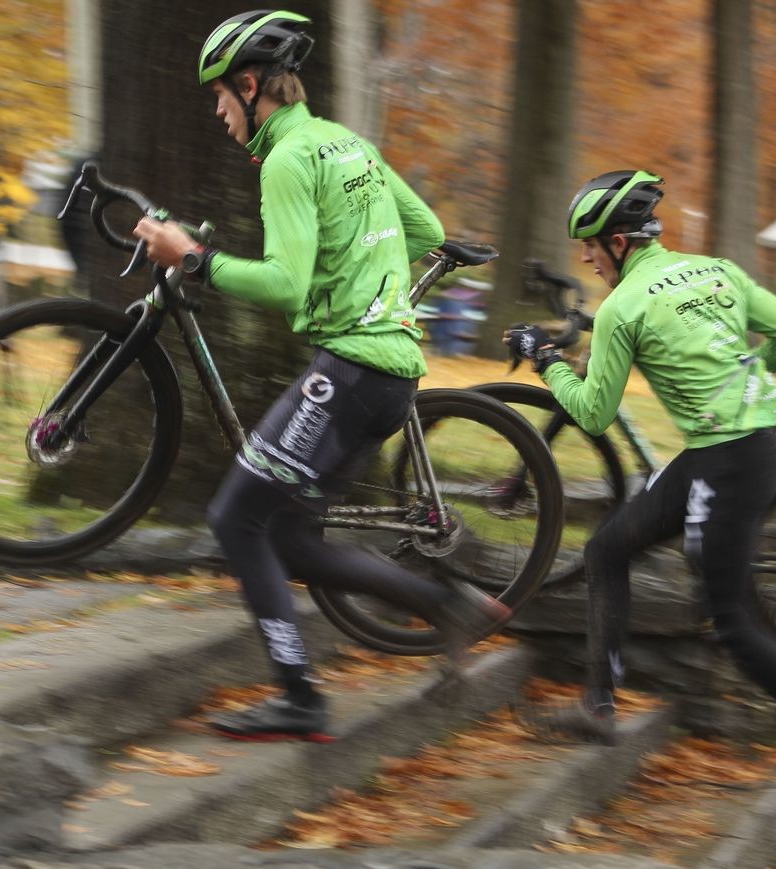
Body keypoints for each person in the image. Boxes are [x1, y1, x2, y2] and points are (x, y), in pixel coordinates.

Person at [133, 10, 507, 743]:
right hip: (389, 378)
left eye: (219, 95)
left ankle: (301, 697)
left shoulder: (286, 158)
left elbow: (285, 285)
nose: (216, 112)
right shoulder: (347, 143)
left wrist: (191, 257)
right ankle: (449, 605)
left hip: (351, 371)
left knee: (234, 518)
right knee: (295, 539)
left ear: (250, 84)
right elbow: (426, 231)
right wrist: (368, 271)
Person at [504, 170, 776, 823]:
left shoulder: (623, 307)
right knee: (608, 547)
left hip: (727, 465)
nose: (585, 258)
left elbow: (591, 412)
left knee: (730, 622)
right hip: (731, 450)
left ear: (619, 240)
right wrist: (739, 379)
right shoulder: (717, 270)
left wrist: (544, 359)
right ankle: (598, 704)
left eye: (590, 244)